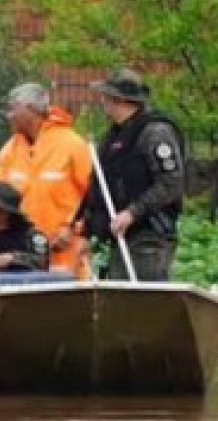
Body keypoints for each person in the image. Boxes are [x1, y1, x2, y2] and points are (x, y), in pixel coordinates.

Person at [0, 82, 92, 277]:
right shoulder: (8, 151)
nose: (8, 115)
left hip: (65, 255)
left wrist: (77, 231)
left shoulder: (73, 146)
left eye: (12, 108)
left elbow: (95, 196)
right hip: (20, 257)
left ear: (31, 109)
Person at [75, 69, 185, 282]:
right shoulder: (114, 137)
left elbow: (171, 182)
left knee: (142, 299)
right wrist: (88, 230)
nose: (102, 102)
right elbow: (101, 186)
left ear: (118, 100)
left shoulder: (155, 132)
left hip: (149, 237)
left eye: (105, 97)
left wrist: (132, 213)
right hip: (121, 237)